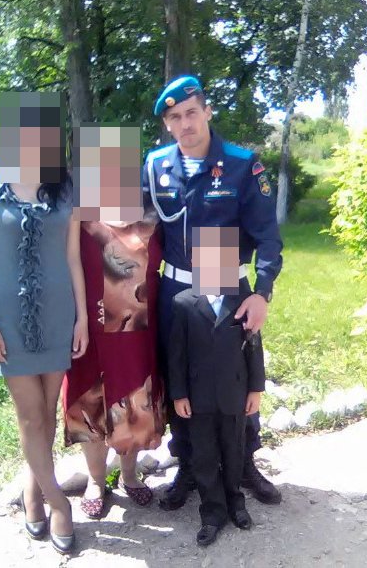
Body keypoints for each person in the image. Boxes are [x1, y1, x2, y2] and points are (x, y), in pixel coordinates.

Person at [142, 75, 283, 511]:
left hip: (224, 280)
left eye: (191, 113)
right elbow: (126, 226)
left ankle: (244, 463)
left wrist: (262, 292)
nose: (185, 124)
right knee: (179, 376)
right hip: (175, 287)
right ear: (167, 124)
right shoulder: (155, 165)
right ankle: (188, 465)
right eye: (174, 117)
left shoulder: (242, 164)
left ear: (207, 111)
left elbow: (268, 236)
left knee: (234, 375)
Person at [0, 92, 88, 555]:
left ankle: (33, 494)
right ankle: (59, 503)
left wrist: (82, 318)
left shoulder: (66, 188)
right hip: (10, 320)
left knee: (47, 415)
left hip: (58, 315)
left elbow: (73, 258)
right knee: (31, 414)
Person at [63, 123, 165, 519]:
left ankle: (130, 475)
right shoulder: (81, 214)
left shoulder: (151, 214)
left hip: (138, 331)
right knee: (91, 402)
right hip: (90, 327)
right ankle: (95, 480)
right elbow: (66, 263)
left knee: (135, 401)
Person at [168, 226, 265, 546]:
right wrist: (179, 394)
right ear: (193, 261)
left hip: (234, 395)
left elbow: (254, 348)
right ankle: (212, 511)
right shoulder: (183, 303)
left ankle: (236, 501)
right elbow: (177, 356)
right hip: (198, 400)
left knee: (234, 451)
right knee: (205, 456)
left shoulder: (243, 302)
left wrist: (255, 389)